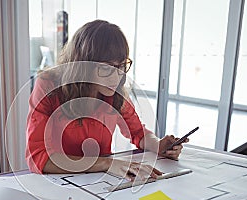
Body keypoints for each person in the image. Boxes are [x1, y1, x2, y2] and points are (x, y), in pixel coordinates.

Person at [26, 20, 186, 181]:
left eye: (122, 66)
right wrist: (106, 163)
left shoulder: (114, 92)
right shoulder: (48, 85)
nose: (117, 76)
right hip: (57, 183)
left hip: (99, 182)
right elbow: (39, 158)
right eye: (106, 68)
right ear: (83, 64)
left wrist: (158, 145)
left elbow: (138, 133)